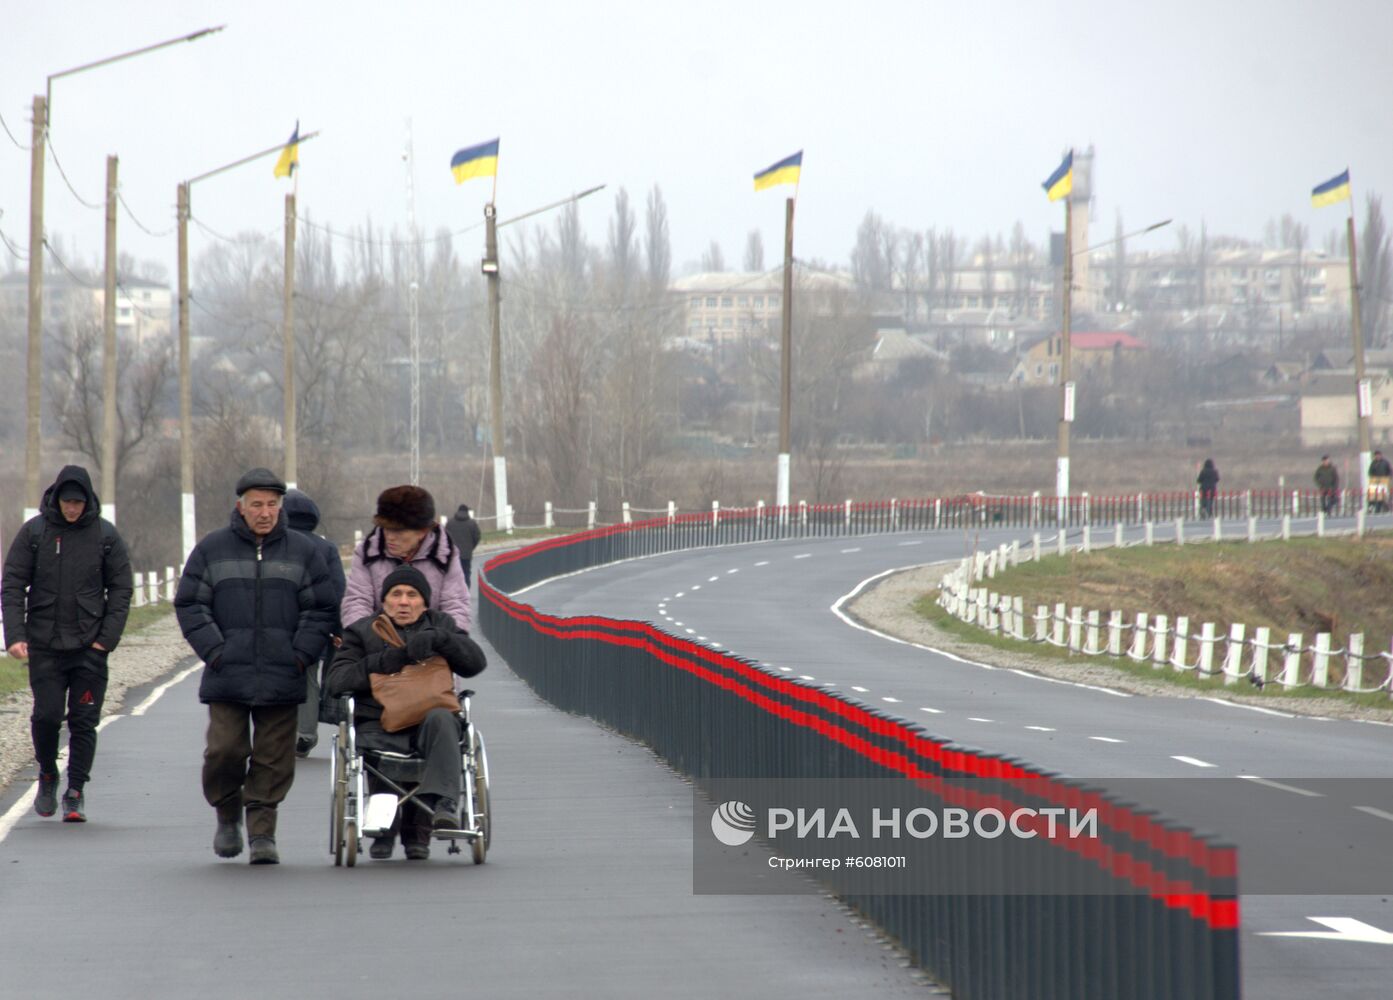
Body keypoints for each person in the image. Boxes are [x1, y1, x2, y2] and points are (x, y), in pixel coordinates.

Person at [174, 468, 338, 865]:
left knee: (273, 757)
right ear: (241, 507)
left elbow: (321, 607)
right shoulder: (213, 549)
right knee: (224, 750)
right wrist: (216, 651)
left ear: (281, 507)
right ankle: (227, 814)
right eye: (257, 504)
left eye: (272, 504)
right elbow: (191, 603)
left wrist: (300, 654)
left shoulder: (303, 551)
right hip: (228, 671)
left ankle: (263, 831)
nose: (265, 512)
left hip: (284, 671)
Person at [326, 566, 485, 861]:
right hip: (379, 721)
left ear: (424, 602)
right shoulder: (362, 631)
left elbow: (475, 664)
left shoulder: (441, 624)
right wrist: (390, 660)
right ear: (383, 600)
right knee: (378, 740)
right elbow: (337, 682)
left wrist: (443, 640)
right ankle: (385, 831)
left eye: (412, 595)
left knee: (442, 718)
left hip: (430, 724)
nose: (403, 601)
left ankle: (442, 808)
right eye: (396, 594)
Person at [2, 465, 133, 823]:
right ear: (56, 499)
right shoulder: (35, 533)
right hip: (44, 645)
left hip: (90, 649)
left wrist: (105, 641)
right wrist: (15, 635)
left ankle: (75, 791)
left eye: (78, 502)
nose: (72, 508)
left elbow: (121, 588)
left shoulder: (105, 535)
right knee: (46, 716)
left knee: (83, 721)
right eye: (66, 501)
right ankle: (47, 772)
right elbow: (12, 583)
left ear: (87, 500)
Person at [341, 485, 471, 633]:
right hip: (378, 638)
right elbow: (357, 601)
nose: (390, 537)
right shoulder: (367, 553)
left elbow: (455, 605)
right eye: (386, 528)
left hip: (432, 640)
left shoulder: (444, 555)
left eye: (398, 531)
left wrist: (443, 641)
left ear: (422, 531)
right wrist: (367, 638)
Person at [284, 488, 347, 757]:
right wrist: (338, 629)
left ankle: (274, 732)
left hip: (278, 623)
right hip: (314, 625)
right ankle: (305, 734)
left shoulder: (274, 544)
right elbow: (337, 590)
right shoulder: (326, 548)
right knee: (308, 676)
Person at [445, 503, 482, 589]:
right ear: (467, 512)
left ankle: (455, 591)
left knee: (454, 575)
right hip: (466, 555)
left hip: (453, 554)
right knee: (466, 573)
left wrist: (450, 549)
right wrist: (471, 547)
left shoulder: (450, 523)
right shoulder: (472, 523)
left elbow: (445, 537)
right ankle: (465, 591)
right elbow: (477, 537)